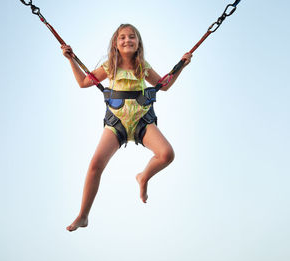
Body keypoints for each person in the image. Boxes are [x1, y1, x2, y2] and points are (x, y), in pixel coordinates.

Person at [62, 24, 192, 232]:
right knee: (95, 164)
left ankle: (143, 176)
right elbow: (84, 82)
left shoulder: (143, 66)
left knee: (166, 154)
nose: (127, 40)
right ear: (115, 43)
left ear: (138, 42)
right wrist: (71, 59)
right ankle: (83, 215)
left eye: (132, 37)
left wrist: (181, 66)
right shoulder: (109, 66)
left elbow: (164, 85)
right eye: (122, 37)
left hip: (141, 120)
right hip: (117, 122)